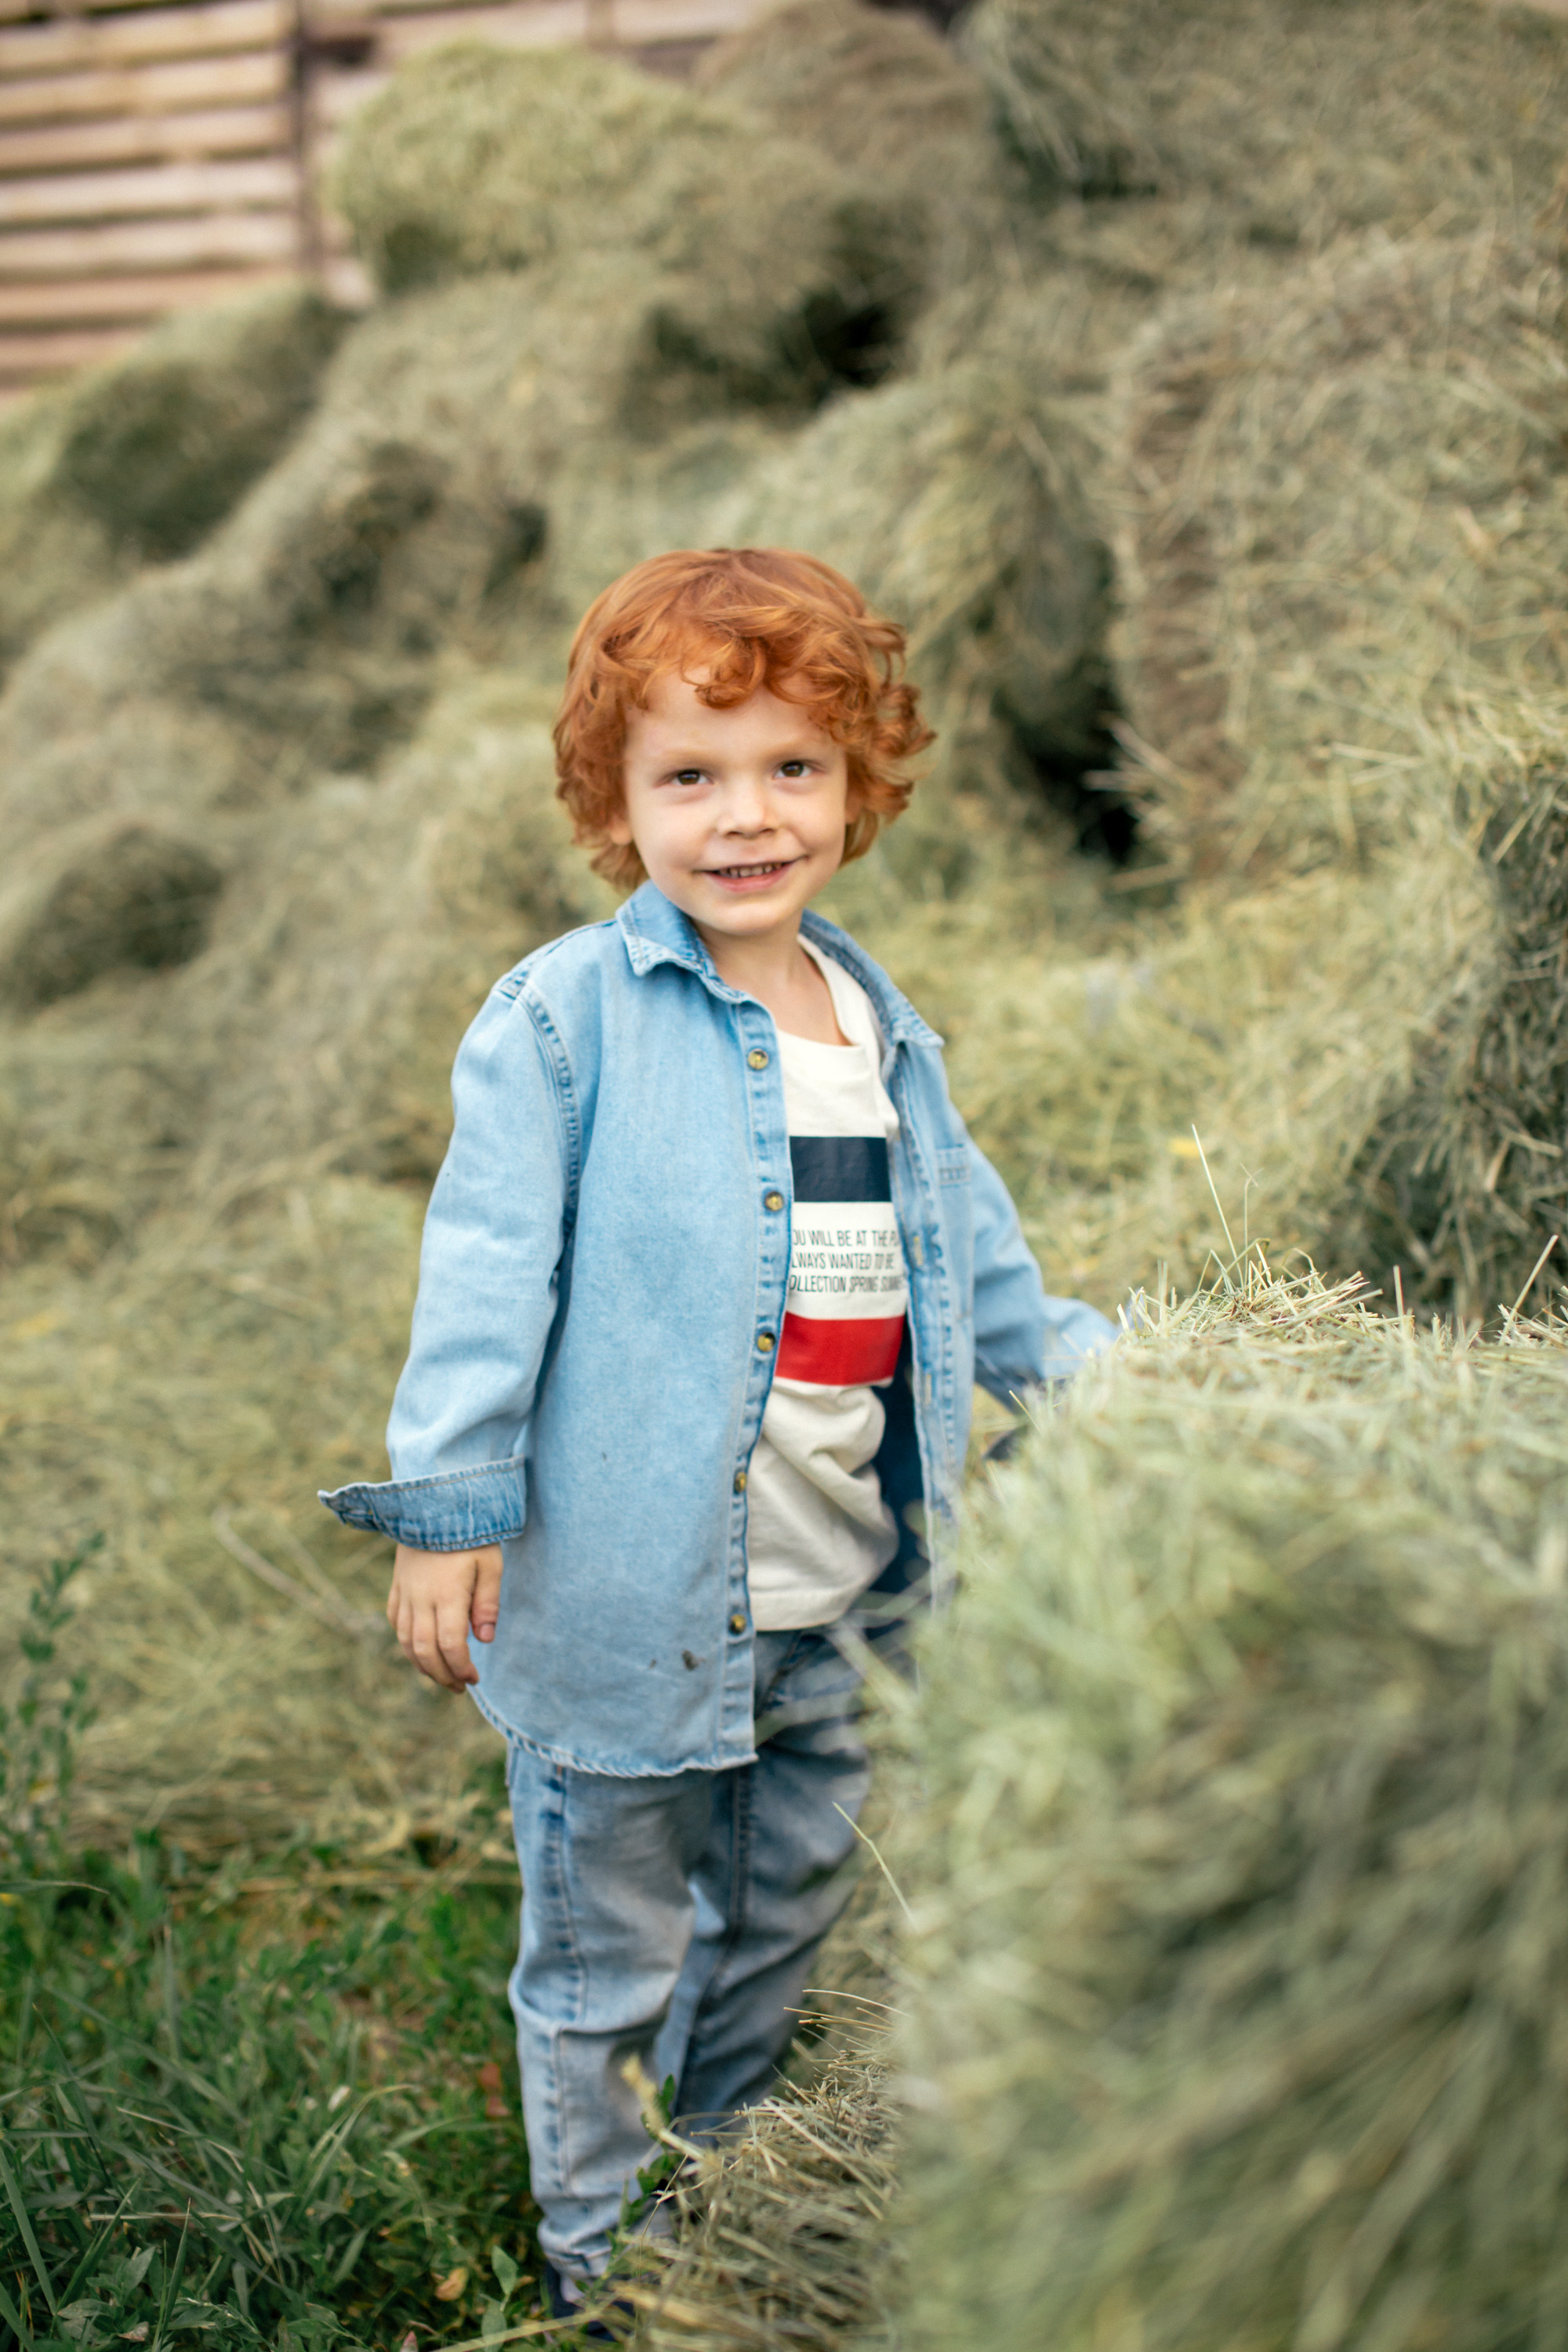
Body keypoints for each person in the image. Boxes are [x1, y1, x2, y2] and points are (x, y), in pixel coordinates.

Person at [320, 547, 1114, 2321]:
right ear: (614, 799)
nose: (745, 818)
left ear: (858, 786)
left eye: (790, 769)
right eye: (690, 774)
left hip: (837, 1591)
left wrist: (1101, 1369)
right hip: (619, 1597)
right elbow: (485, 1274)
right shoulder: (565, 1020)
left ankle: (726, 2180)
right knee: (608, 1947)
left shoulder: (881, 1033)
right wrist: (453, 1503)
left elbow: (965, 1254)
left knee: (777, 1914)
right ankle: (605, 2266)